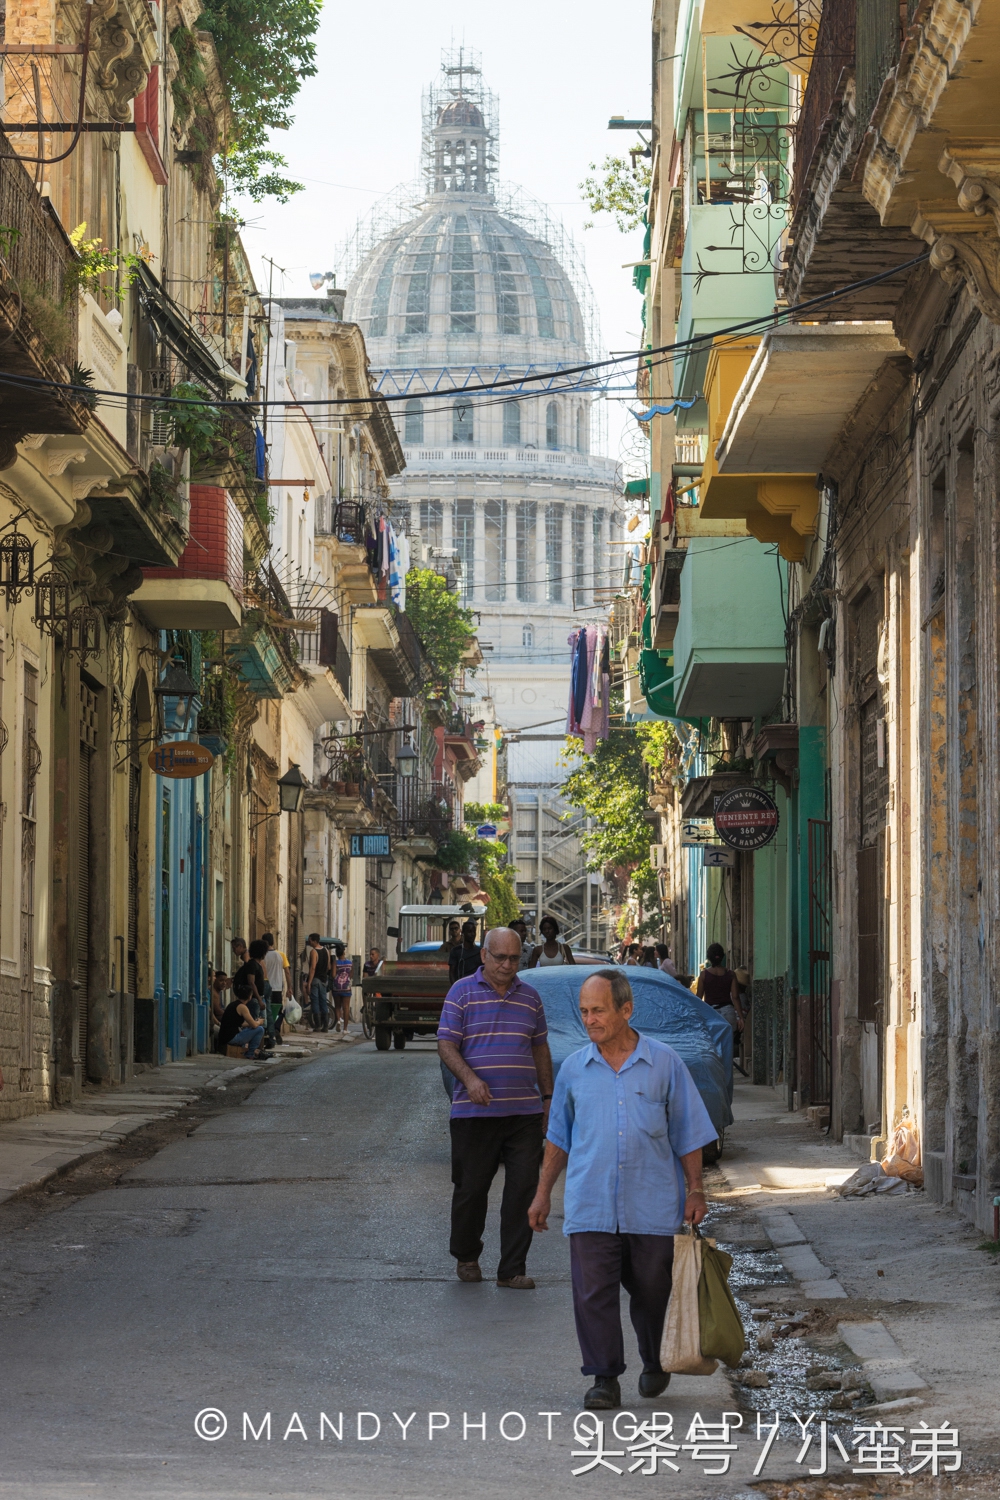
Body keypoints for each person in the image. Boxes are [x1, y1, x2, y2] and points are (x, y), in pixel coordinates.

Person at [528, 969, 716, 1411]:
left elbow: (688, 1132)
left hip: (652, 1204)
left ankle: (655, 1359)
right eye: (584, 1012)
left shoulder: (665, 1063)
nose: (589, 1021)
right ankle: (603, 1376)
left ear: (626, 1010)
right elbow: (559, 1138)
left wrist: (696, 1189)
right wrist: (541, 1194)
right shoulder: (574, 1069)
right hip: (590, 1203)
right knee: (593, 1292)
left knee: (653, 1289)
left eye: (599, 1011)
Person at [438, 926, 554, 1290]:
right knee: (471, 1189)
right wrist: (470, 1081)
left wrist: (548, 1098)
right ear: (484, 955)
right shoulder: (461, 993)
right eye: (500, 957)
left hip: (523, 1113)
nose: (507, 965)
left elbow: (540, 1049)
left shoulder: (531, 998)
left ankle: (512, 1269)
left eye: (514, 958)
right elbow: (446, 1046)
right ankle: (467, 1255)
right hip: (474, 1115)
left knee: (523, 1188)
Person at [696, 943, 745, 1034]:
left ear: (709, 957)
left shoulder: (704, 975)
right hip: (728, 1013)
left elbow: (698, 998)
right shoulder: (731, 974)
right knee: (729, 1044)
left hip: (711, 1014)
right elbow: (735, 997)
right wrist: (741, 1017)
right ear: (722, 957)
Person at [216, 992, 268, 1059]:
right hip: (232, 1038)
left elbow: (242, 1024)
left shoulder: (233, 1004)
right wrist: (259, 1022)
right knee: (260, 1029)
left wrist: (254, 1022)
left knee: (249, 1029)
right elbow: (255, 1025)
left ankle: (249, 1052)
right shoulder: (242, 1007)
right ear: (250, 996)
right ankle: (251, 1053)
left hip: (225, 1037)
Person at [261, 933, 290, 1043]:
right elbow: (287, 972)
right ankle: (276, 1028)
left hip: (266, 987)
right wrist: (289, 987)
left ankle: (268, 1031)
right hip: (277, 988)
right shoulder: (280, 955)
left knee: (266, 1011)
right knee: (278, 1012)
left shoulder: (262, 956)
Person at [306, 933, 331, 1032]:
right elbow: (328, 966)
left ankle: (317, 1025)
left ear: (313, 941)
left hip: (316, 979)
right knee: (323, 1002)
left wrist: (309, 983)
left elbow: (313, 968)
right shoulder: (326, 951)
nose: (309, 942)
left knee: (315, 1002)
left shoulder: (313, 952)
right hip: (324, 980)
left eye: (310, 940)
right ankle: (325, 1026)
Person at [331, 940, 353, 1033]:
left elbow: (333, 975)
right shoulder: (350, 962)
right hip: (346, 986)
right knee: (346, 1007)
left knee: (337, 1006)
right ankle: (345, 1029)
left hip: (336, 986)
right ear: (344, 952)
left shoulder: (335, 962)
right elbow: (352, 974)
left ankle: (339, 1021)